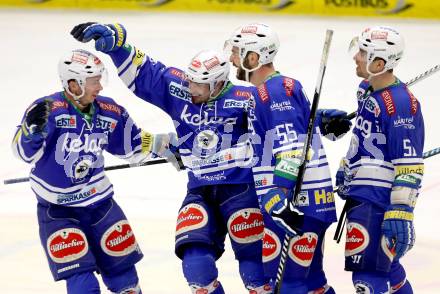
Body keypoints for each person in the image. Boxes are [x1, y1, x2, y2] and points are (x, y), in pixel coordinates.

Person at [70, 23, 271, 294]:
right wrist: (118, 47)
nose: (191, 88)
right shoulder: (182, 89)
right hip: (200, 190)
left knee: (254, 268)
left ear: (219, 83)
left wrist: (320, 118)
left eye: (199, 83)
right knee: (196, 266)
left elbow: (285, 116)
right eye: (190, 79)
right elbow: (149, 75)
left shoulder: (247, 98)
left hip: (241, 190)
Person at [11, 49, 175, 294]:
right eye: (93, 80)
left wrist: (166, 144)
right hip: (58, 211)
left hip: (101, 206)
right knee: (83, 285)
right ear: (73, 83)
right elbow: (23, 154)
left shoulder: (109, 110)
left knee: (126, 281)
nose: (99, 86)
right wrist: (30, 132)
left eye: (100, 78)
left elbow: (131, 145)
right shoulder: (47, 110)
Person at [225, 23, 339, 293]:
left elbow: (291, 147)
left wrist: (280, 196)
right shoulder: (281, 87)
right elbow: (297, 128)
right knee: (313, 283)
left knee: (289, 284)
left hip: (295, 205)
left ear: (253, 58)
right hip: (310, 203)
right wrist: (322, 120)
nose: (231, 58)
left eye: (237, 52)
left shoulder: (270, 91)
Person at [321, 25, 424, 293]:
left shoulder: (401, 104)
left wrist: (401, 210)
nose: (356, 56)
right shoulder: (367, 89)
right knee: (388, 270)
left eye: (363, 52)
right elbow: (365, 139)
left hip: (377, 200)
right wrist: (349, 168)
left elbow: (408, 163)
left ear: (379, 63)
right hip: (363, 194)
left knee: (367, 279)